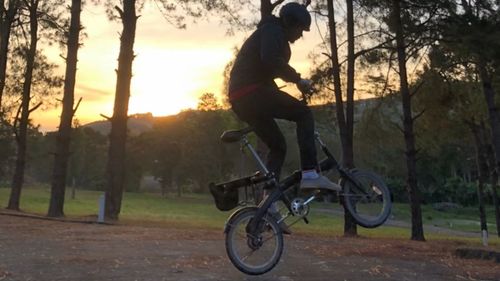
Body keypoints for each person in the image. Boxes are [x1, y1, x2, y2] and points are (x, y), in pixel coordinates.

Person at [228, 2, 340, 191]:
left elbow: (265, 70)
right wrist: (298, 80)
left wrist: (290, 85)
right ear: (289, 22)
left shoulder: (270, 33)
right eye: (300, 29)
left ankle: (268, 203)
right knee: (303, 114)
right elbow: (271, 61)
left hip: (242, 98)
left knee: (278, 146)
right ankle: (310, 173)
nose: (300, 35)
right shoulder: (273, 30)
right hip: (251, 93)